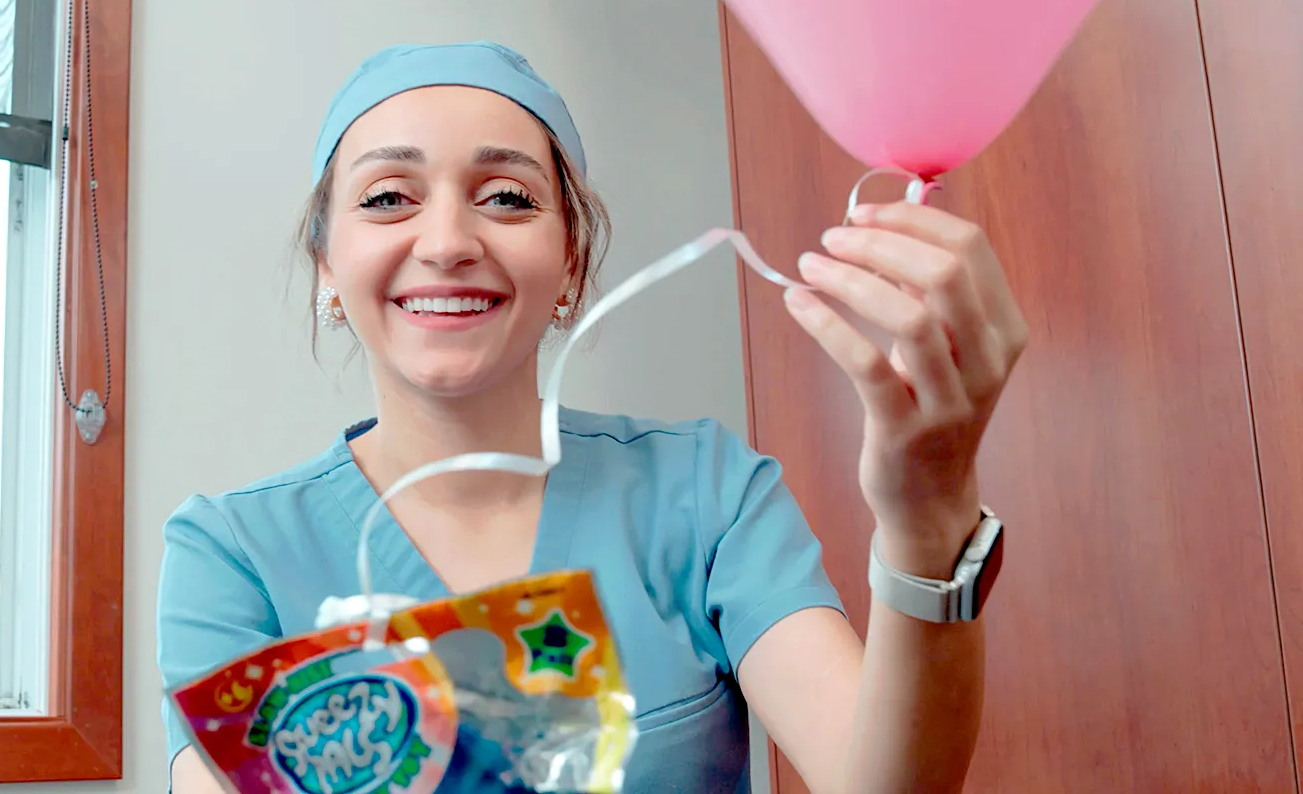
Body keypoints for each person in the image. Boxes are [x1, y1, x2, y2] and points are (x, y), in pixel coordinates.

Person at [157, 41, 1027, 793]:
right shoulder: (231, 554)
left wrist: (929, 517)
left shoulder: (706, 493)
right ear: (325, 266)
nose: (450, 240)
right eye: (389, 197)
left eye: (507, 197)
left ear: (570, 260)